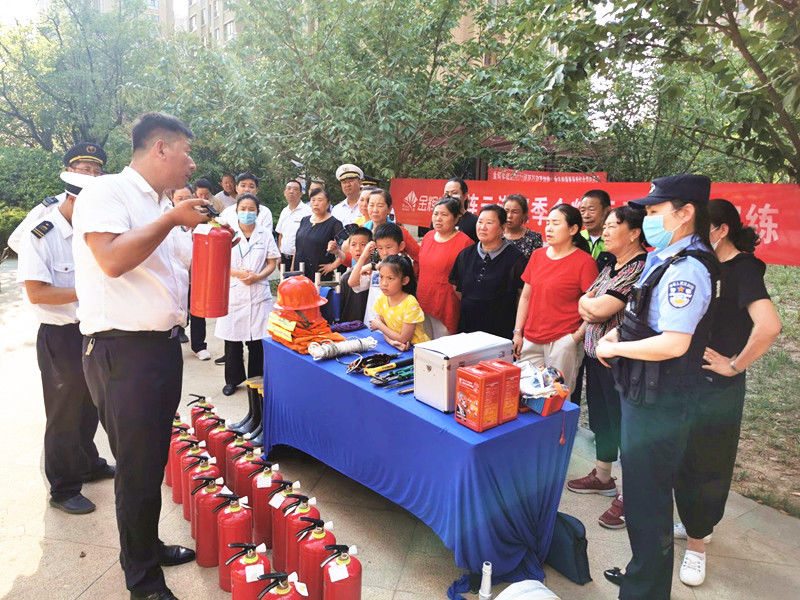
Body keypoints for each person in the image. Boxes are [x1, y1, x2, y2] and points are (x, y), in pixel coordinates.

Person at [73, 113, 213, 600]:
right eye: (185, 152)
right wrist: (172, 217)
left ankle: (147, 546)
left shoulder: (156, 204)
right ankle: (142, 580)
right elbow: (111, 260)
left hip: (158, 348)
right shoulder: (106, 193)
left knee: (151, 459)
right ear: (159, 149)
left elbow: (179, 264)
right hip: (120, 351)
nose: (190, 163)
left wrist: (208, 233)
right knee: (134, 467)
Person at [597, 174, 718, 600]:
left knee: (648, 503)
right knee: (643, 498)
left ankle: (644, 592)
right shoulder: (665, 256)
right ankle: (641, 574)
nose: (646, 219)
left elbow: (674, 342)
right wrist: (616, 339)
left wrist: (623, 350)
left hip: (661, 403)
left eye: (653, 212)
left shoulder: (688, 268)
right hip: (644, 395)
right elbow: (644, 319)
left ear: (685, 213)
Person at [672, 198, 781, 587]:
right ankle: (694, 521)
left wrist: (734, 365)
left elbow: (769, 326)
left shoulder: (744, 270)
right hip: (687, 381)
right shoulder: (701, 266)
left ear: (719, 231)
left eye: (698, 228)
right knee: (685, 457)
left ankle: (698, 546)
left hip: (716, 386)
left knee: (707, 463)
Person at [16, 170, 113, 516]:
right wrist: (87, 289)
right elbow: (36, 291)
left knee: (89, 404)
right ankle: (63, 487)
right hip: (60, 335)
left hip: (91, 330)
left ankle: (88, 464)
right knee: (63, 414)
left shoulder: (90, 231)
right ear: (72, 200)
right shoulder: (42, 234)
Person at [567, 206, 647, 529]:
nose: (607, 231)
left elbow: (599, 308)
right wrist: (589, 306)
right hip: (594, 357)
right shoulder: (612, 265)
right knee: (602, 418)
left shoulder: (639, 268)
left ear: (634, 233)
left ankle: (631, 495)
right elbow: (586, 300)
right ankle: (603, 476)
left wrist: (589, 307)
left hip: (621, 363)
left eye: (615, 225)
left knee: (625, 425)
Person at [512, 204, 598, 394]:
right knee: (525, 393)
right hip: (532, 338)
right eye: (548, 223)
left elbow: (594, 309)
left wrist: (574, 338)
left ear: (573, 229)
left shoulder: (585, 263)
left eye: (556, 223)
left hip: (562, 341)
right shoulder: (537, 256)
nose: (548, 228)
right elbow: (526, 296)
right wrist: (518, 332)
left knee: (557, 398)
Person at [215, 193, 280, 396]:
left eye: (251, 209)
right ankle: (232, 381)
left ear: (258, 212)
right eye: (243, 209)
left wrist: (258, 276)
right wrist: (239, 274)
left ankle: (256, 379)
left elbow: (272, 262)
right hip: (235, 290)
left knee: (257, 342)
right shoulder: (228, 234)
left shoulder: (264, 234)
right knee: (232, 341)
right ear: (236, 211)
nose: (247, 213)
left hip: (258, 291)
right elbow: (220, 262)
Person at [8, 141, 107, 254]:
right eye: (86, 169)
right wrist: (45, 260)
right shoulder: (53, 205)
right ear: (70, 171)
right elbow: (15, 240)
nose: (92, 175)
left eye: (97, 172)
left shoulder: (101, 206)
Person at [450, 205, 527, 340]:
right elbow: (457, 289)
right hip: (468, 327)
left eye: (489, 223)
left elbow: (522, 296)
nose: (482, 227)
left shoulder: (515, 258)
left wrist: (518, 332)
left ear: (502, 228)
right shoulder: (466, 254)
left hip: (500, 331)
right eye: (480, 222)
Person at [417, 197, 473, 337]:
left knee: (443, 348)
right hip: (424, 301)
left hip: (446, 305)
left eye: (444, 215)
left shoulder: (465, 242)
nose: (438, 219)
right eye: (435, 214)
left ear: (456, 218)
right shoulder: (428, 236)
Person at [349, 222, 410, 329]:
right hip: (372, 324)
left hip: (394, 327)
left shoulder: (403, 264)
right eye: (380, 248)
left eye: (389, 247)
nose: (385, 252)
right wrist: (364, 256)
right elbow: (352, 282)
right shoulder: (375, 268)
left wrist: (373, 266)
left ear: (401, 246)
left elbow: (394, 265)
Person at [369, 254, 430, 351]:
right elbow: (386, 328)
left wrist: (379, 326)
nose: (384, 283)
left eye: (390, 278)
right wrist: (391, 342)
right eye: (381, 277)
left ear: (404, 280)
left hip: (418, 350)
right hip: (398, 347)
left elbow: (404, 338)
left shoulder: (410, 303)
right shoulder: (382, 298)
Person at [362, 188, 420, 270]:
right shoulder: (363, 230)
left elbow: (419, 256)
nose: (375, 210)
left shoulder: (399, 232)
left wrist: (414, 276)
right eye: (371, 205)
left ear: (389, 209)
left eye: (380, 206)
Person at [293, 188, 344, 280]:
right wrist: (292, 269)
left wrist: (332, 266)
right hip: (299, 272)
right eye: (313, 200)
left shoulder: (335, 224)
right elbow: (297, 248)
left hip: (318, 275)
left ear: (328, 203)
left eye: (320, 200)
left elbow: (346, 251)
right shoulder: (304, 220)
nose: (316, 203)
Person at [275, 179, 312, 270]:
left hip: (300, 258)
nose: (291, 191)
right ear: (284, 192)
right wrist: (279, 254)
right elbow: (281, 234)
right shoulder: (284, 211)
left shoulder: (307, 211)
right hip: (284, 257)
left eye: (295, 189)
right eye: (289, 188)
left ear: (300, 193)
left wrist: (294, 262)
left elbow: (307, 238)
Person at [338, 226, 372, 322]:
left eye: (363, 244)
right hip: (350, 324)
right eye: (353, 245)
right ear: (349, 248)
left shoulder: (375, 272)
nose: (358, 249)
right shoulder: (345, 277)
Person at [503, 194, 543, 260]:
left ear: (523, 215)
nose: (509, 216)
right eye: (506, 211)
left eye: (515, 212)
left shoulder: (534, 238)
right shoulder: (496, 234)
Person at [580, 189, 612, 260]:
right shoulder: (576, 239)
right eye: (582, 211)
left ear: (607, 210)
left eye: (591, 210)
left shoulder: (616, 240)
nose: (586, 215)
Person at [443, 177, 478, 242]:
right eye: (446, 194)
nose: (450, 197)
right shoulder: (438, 219)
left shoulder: (475, 222)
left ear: (465, 196)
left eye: (454, 193)